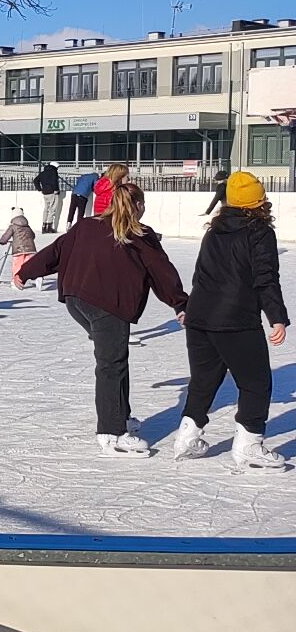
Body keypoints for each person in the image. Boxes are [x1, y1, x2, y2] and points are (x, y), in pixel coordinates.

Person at [17, 183, 187, 456]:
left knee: (115, 359)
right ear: (140, 206)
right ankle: (111, 432)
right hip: (108, 305)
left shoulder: (86, 226)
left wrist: (26, 272)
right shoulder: (139, 236)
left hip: (76, 300)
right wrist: (180, 304)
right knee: (111, 364)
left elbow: (56, 251)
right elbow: (161, 272)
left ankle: (120, 416)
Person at [174, 172, 288, 470]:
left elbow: (200, 273)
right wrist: (277, 318)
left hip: (200, 316)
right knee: (255, 382)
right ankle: (250, 443)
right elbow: (265, 278)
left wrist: (191, 307)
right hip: (235, 319)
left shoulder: (214, 230)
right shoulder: (260, 232)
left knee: (203, 379)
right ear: (258, 201)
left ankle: (187, 436)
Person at [0, 207, 38, 291]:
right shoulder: (27, 226)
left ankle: (15, 282)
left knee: (17, 265)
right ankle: (37, 277)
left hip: (18, 250)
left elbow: (7, 235)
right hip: (31, 249)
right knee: (29, 265)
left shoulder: (13, 226)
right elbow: (33, 235)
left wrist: (2, 241)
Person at [34, 162, 61, 234]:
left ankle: (43, 226)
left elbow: (35, 180)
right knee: (52, 209)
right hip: (52, 192)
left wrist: (39, 189)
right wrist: (56, 190)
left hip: (45, 193)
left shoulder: (43, 172)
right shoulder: (53, 172)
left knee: (46, 209)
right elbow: (54, 181)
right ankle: (49, 227)